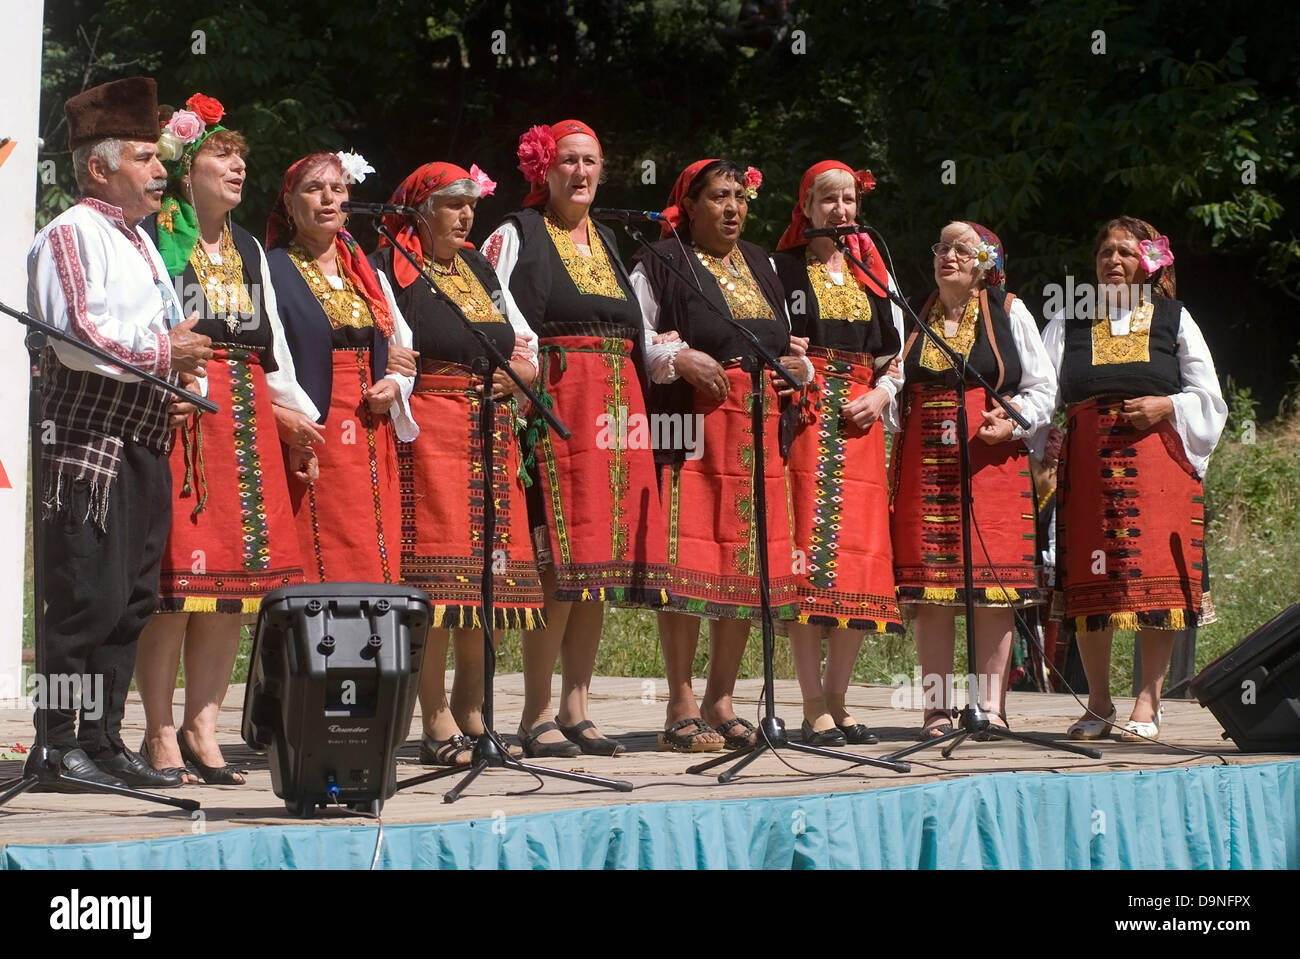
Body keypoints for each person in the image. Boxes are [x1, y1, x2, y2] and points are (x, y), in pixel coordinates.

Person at [25, 77, 213, 790]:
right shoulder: (71, 233)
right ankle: (56, 743)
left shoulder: (137, 241)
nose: (161, 168)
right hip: (85, 446)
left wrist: (180, 384)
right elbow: (78, 336)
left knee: (131, 599)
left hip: (140, 441)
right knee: (81, 599)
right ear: (99, 167)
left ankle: (102, 742)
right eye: (144, 156)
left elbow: (159, 332)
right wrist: (170, 357)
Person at [133, 93, 321, 785]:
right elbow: (140, 327)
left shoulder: (248, 249)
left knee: (231, 591)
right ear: (187, 170)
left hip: (244, 421)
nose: (238, 166)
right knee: (180, 585)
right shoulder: (157, 235)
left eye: (242, 156)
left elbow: (271, 350)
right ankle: (157, 731)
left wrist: (296, 417)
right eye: (222, 154)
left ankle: (202, 727)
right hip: (183, 416)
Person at [485, 120, 670, 758]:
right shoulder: (516, 235)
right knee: (554, 568)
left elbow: (636, 332)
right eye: (568, 161)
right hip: (554, 410)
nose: (581, 173)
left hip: (616, 414)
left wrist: (670, 356)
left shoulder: (611, 242)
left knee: (597, 567)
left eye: (591, 161)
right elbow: (491, 314)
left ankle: (576, 708)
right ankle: (533, 713)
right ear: (543, 168)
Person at [632, 158, 811, 751]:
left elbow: (789, 346)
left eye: (739, 197)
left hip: (756, 427)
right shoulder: (660, 263)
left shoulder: (762, 263)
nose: (732, 208)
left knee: (745, 561)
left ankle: (722, 698)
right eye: (718, 197)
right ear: (691, 204)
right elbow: (640, 338)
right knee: (689, 557)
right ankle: (680, 702)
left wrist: (796, 368)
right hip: (689, 424)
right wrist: (679, 358)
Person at [371, 161, 545, 765]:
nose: (466, 216)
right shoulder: (394, 269)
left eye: (471, 205)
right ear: (421, 209)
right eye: (452, 205)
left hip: (491, 431)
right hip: (431, 432)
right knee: (438, 579)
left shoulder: (477, 265)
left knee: (489, 578)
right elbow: (391, 351)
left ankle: (475, 710)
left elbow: (521, 342)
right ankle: (436, 716)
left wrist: (522, 372)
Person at [1042, 217, 1226, 742]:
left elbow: (1210, 397)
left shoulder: (1174, 320)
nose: (1113, 262)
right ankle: (1098, 704)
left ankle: (1148, 702)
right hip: (1088, 471)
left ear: (1147, 263)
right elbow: (1039, 396)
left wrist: (1167, 403)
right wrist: (1038, 437)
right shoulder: (1070, 323)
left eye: (1125, 253)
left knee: (1157, 584)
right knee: (1089, 585)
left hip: (1158, 468)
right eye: (1105, 253)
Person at [887, 221, 1056, 740]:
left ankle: (990, 706)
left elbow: (1043, 388)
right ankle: (936, 709)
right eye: (941, 247)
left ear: (985, 263)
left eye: (962, 250)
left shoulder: (1010, 311)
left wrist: (1013, 420)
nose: (948, 257)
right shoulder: (912, 314)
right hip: (925, 463)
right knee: (932, 591)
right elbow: (892, 383)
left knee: (992, 589)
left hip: (991, 461)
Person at [770, 161, 904, 746]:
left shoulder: (873, 277)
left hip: (860, 427)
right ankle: (809, 701)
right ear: (806, 207)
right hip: (805, 422)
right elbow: (767, 342)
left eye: (849, 200)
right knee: (807, 559)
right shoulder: (780, 270)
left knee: (858, 560)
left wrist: (881, 394)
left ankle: (841, 697)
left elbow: (891, 359)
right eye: (829, 200)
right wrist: (788, 355)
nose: (842, 211)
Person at [265, 151, 418, 585]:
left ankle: (370, 647)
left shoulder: (366, 271)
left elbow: (404, 353)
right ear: (290, 204)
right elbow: (269, 353)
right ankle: (315, 647)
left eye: (338, 189)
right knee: (318, 547)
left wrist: (393, 382)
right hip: (314, 425)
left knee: (373, 545)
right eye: (314, 189)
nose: (329, 199)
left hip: (371, 429)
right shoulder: (273, 269)